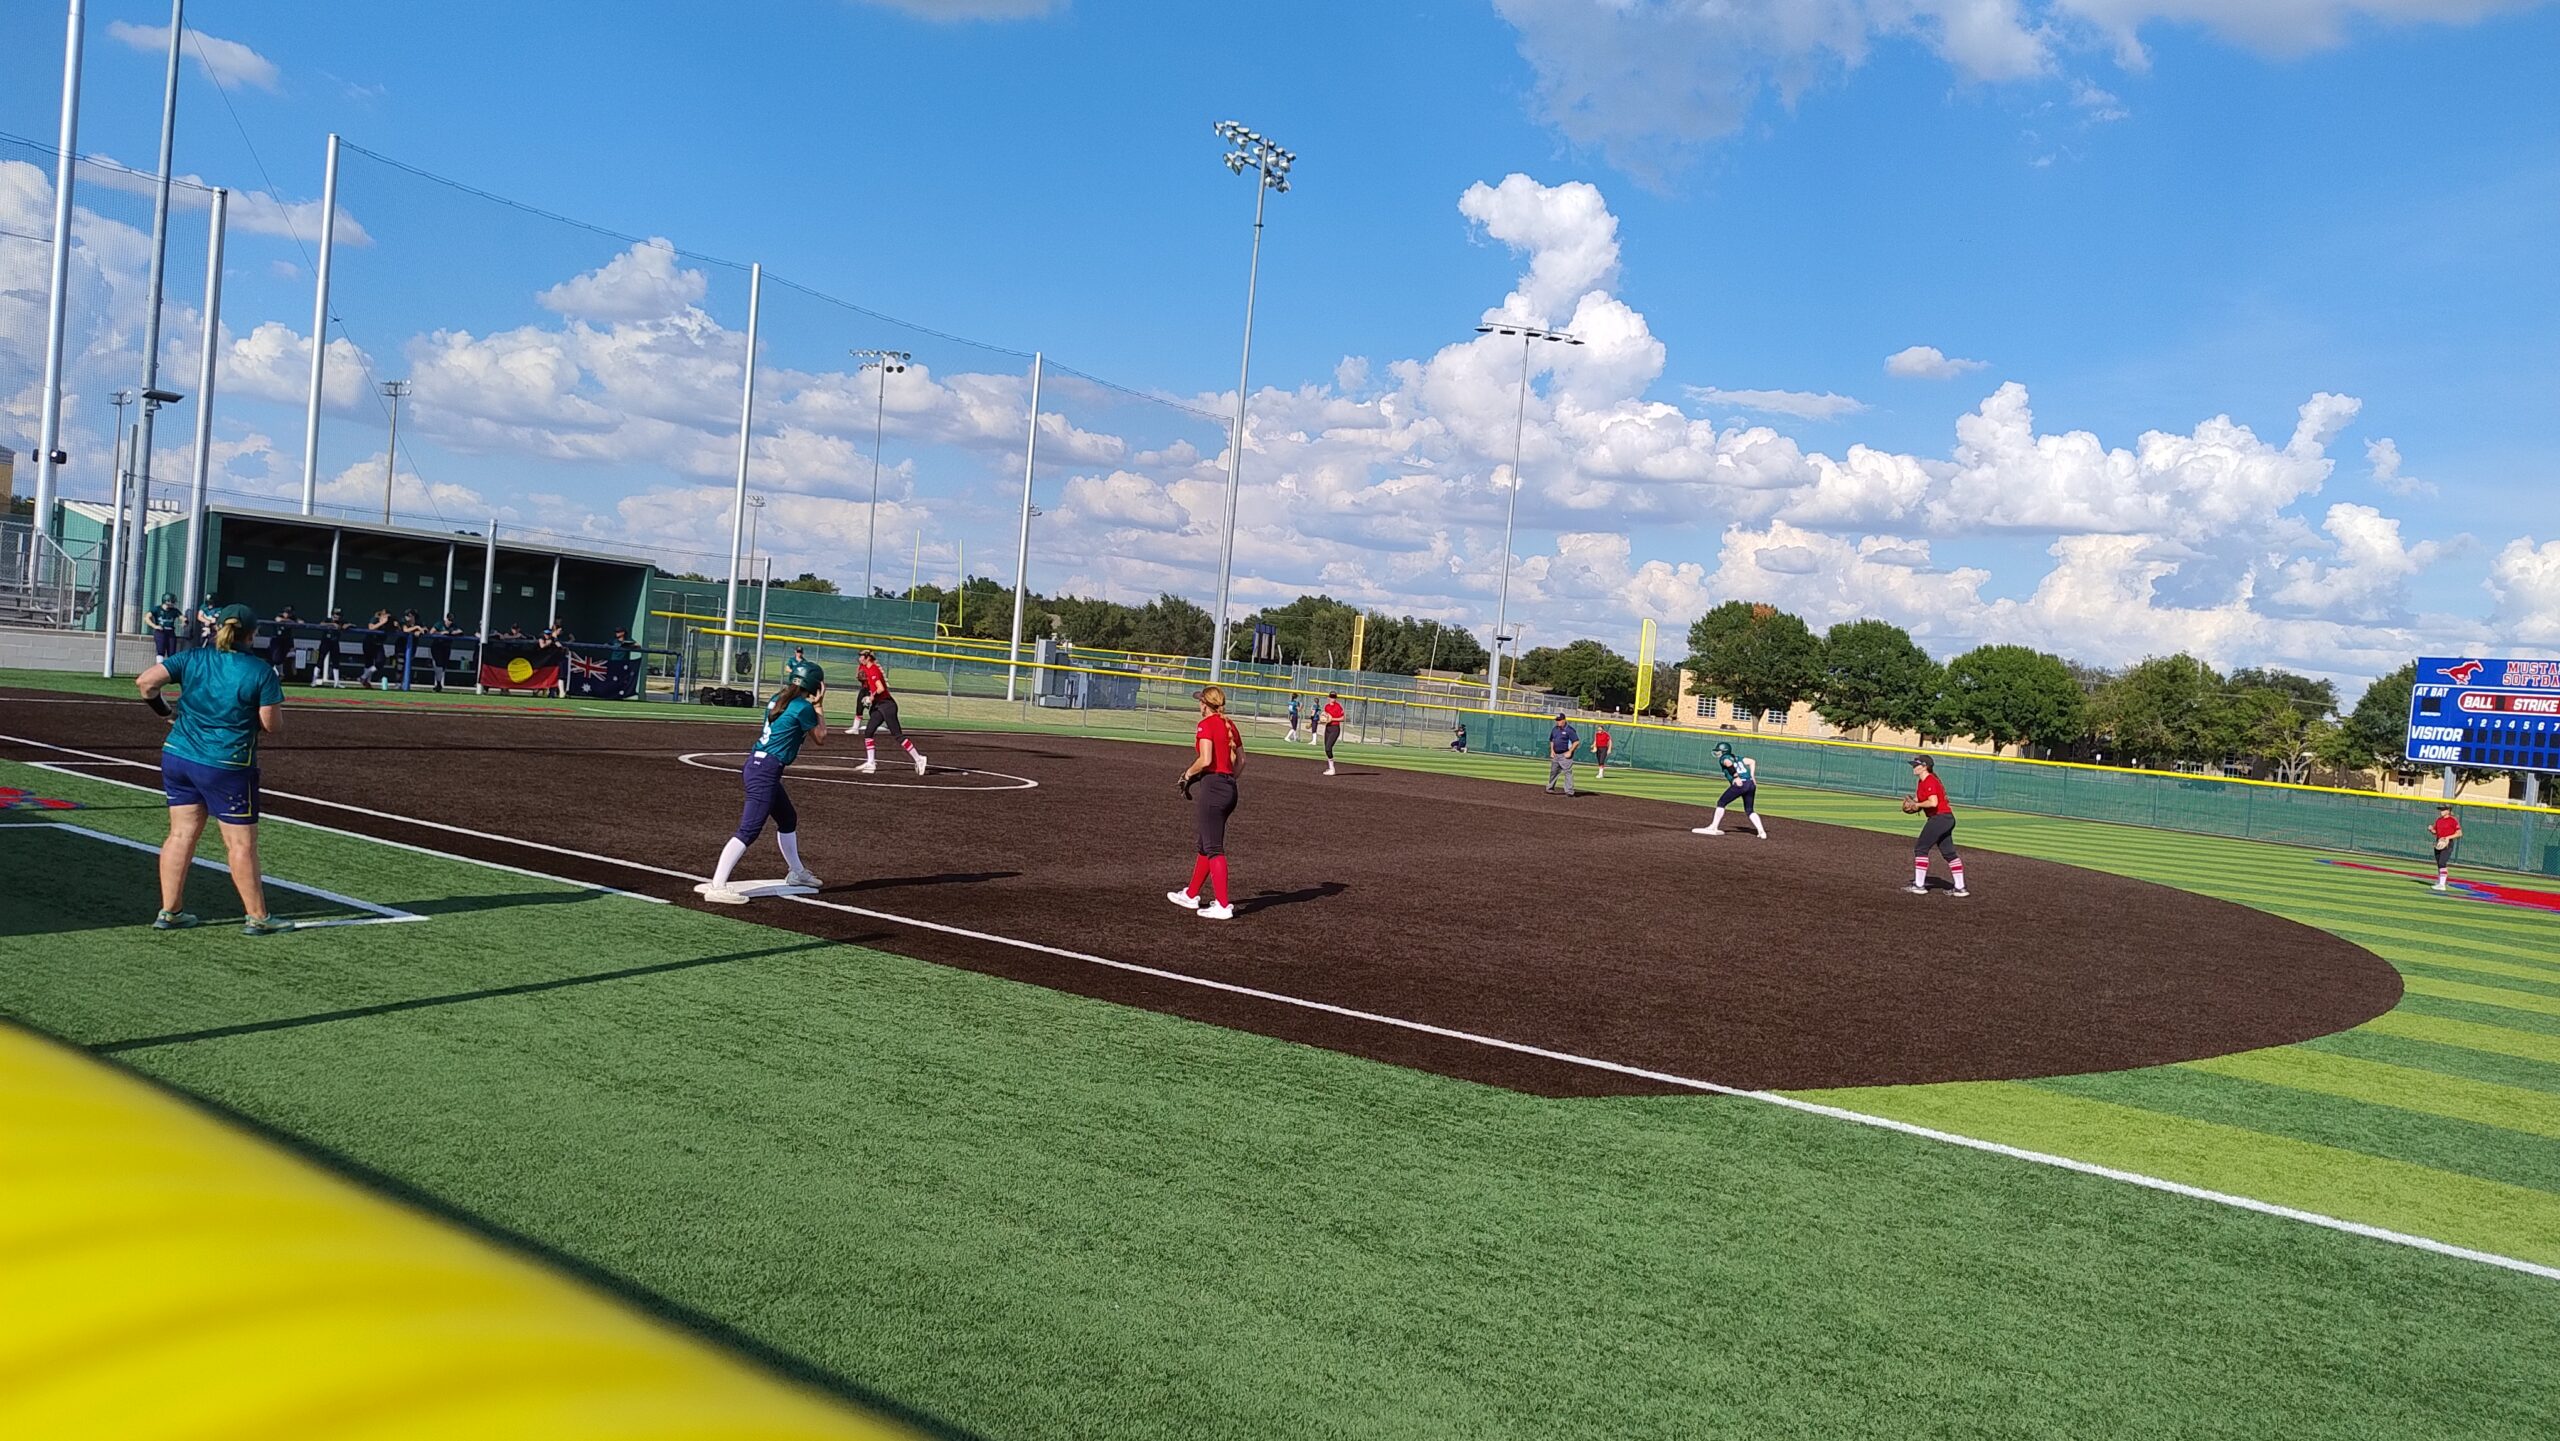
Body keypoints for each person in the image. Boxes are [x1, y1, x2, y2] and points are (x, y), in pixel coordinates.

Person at [136, 604, 294, 935]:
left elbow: (146, 683)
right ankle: (258, 917)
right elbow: (272, 725)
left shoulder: (192, 658)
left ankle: (170, 910)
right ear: (251, 635)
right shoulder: (260, 671)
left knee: (180, 834)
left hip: (179, 756)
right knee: (240, 845)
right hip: (228, 764)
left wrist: (166, 713)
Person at [701, 663, 829, 904]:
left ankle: (797, 873)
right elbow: (821, 737)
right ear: (815, 685)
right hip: (766, 771)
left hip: (758, 765)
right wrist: (819, 705)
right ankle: (718, 885)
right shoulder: (803, 707)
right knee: (749, 830)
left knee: (787, 818)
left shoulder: (778, 697)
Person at [1166, 685, 1243, 921]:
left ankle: (1222, 904)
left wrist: (1188, 774)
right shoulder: (1230, 725)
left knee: (1214, 849)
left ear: (1204, 705)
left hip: (1213, 790)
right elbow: (1241, 761)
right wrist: (1227, 779)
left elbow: (1205, 759)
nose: (1199, 704)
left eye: (1200, 701)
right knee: (1206, 843)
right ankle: (1191, 894)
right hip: (1229, 788)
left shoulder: (1206, 725)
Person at [853, 649, 928, 775]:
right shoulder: (867, 668)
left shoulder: (873, 670)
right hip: (879, 706)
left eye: (861, 656)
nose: (859, 658)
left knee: (897, 735)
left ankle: (919, 758)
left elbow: (881, 688)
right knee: (869, 731)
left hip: (887, 705)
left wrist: (871, 697)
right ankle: (871, 762)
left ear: (867, 658)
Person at [1904, 754, 1967, 896]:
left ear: (1925, 767)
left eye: (1916, 765)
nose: (1914, 767)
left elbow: (1933, 803)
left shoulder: (1930, 781)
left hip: (1940, 819)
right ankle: (1960, 888)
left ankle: (1919, 885)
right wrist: (1913, 804)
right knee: (1949, 853)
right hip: (1945, 819)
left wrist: (1917, 804)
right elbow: (1920, 800)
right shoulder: (1922, 782)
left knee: (1921, 849)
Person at [1694, 740, 1768, 839]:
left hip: (1740, 784)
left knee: (1721, 802)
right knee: (1749, 810)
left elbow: (1728, 763)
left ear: (1724, 751)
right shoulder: (1736, 757)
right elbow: (1752, 761)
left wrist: (1736, 776)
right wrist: (1752, 776)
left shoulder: (1724, 758)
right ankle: (1761, 832)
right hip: (1750, 784)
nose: (1717, 753)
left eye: (1719, 751)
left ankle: (1714, 826)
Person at [2431, 804, 2462, 893]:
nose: (2441, 811)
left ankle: (2442, 884)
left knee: (2442, 862)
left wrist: (2448, 837)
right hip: (2439, 842)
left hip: (2447, 843)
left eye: (2443, 809)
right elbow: (2436, 832)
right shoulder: (2439, 820)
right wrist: (2431, 830)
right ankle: (2440, 882)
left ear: (2448, 810)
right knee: (2439, 863)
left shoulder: (2452, 820)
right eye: (2440, 809)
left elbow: (2459, 833)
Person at [1546, 712, 1578, 796]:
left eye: (1559, 720)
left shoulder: (1569, 730)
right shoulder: (1555, 729)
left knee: (1568, 772)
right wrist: (1552, 751)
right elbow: (1552, 740)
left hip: (1565, 755)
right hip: (1556, 754)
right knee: (1553, 772)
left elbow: (1576, 742)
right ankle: (1550, 788)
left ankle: (1569, 791)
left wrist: (1570, 751)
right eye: (1557, 720)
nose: (1558, 722)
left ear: (1564, 720)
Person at [147, 593, 183, 659]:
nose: (174, 604)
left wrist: (184, 622)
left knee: (172, 653)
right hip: (160, 632)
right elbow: (147, 617)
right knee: (160, 651)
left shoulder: (174, 611)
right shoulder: (157, 609)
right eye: (172, 602)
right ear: (167, 601)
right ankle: (159, 667)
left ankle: (170, 668)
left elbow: (182, 617)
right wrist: (155, 626)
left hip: (171, 632)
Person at [1319, 692, 1346, 776]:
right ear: (1328, 697)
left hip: (1335, 728)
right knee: (1326, 749)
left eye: (1334, 697)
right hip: (1328, 728)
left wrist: (1332, 718)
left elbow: (1343, 718)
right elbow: (1325, 718)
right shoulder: (1326, 706)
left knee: (1328, 747)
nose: (1333, 698)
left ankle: (1332, 769)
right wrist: (1322, 720)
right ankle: (1330, 768)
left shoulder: (1338, 706)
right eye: (1331, 697)